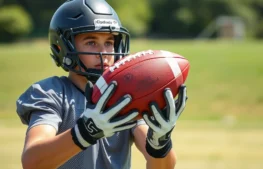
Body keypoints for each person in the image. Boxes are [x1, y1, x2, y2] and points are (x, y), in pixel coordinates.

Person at [16, 0, 188, 169]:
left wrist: (159, 144)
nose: (104, 52)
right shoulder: (51, 92)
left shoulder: (125, 96)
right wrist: (86, 131)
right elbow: (32, 162)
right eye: (91, 42)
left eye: (109, 42)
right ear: (63, 47)